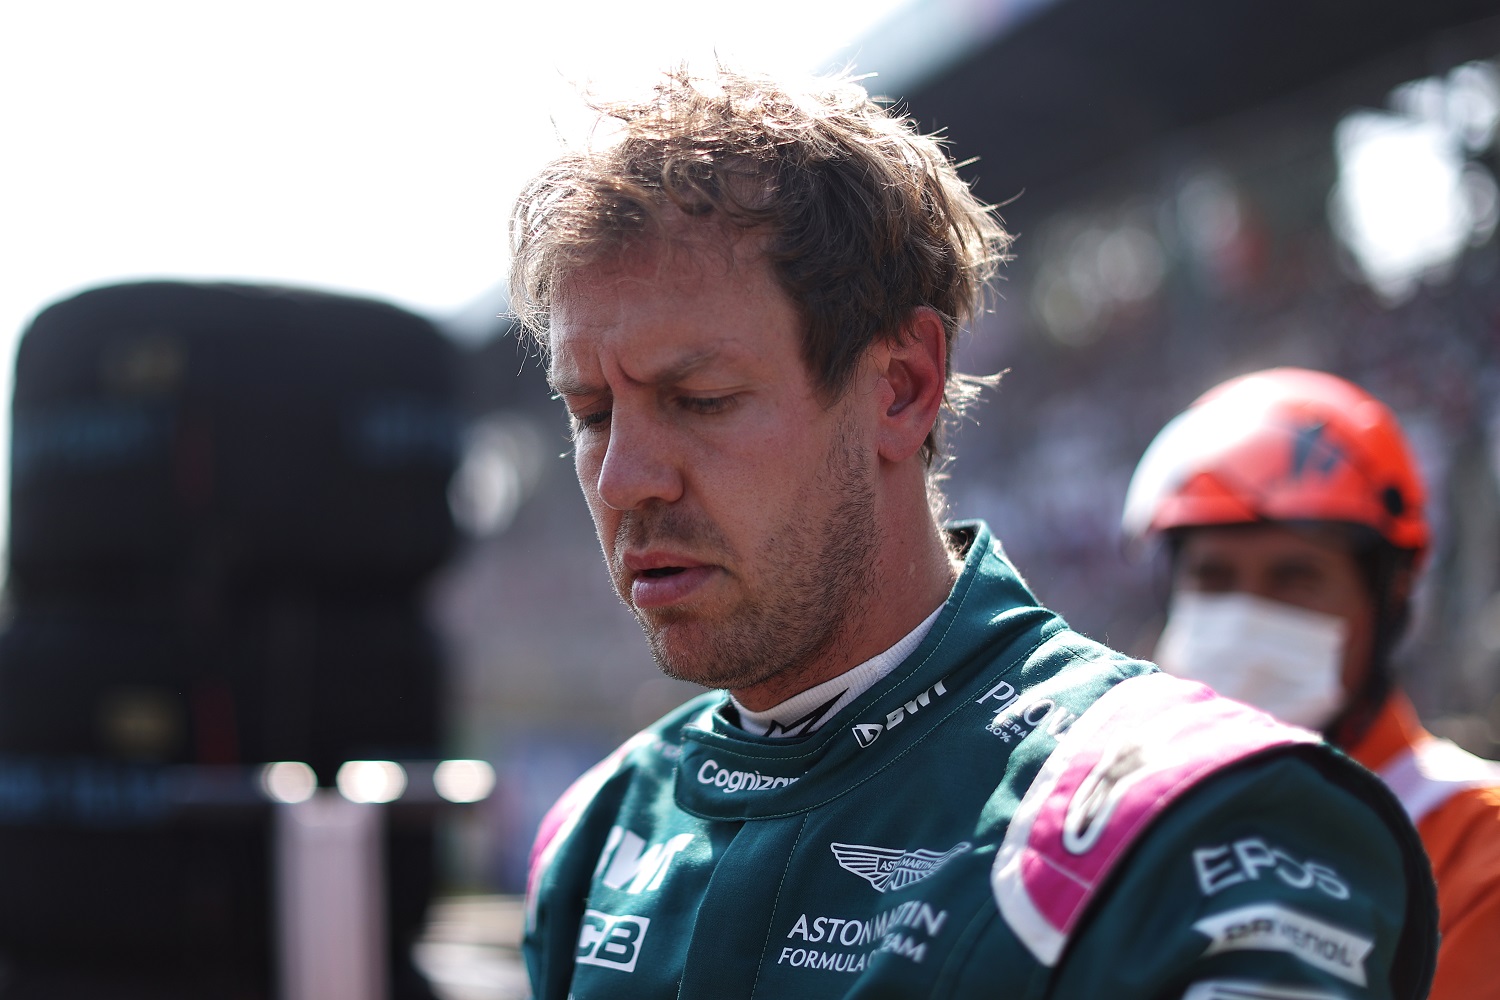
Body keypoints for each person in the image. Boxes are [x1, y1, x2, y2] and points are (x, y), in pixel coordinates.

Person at [510, 65, 1436, 999]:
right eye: (590, 413)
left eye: (700, 399)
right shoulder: (597, 835)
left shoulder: (1201, 821)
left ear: (902, 387)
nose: (625, 477)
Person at [1123, 366, 1500, 1000]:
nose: (1247, 614)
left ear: (1391, 595)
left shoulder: (1477, 849)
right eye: (1213, 579)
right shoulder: (1115, 829)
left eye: (1294, 578)